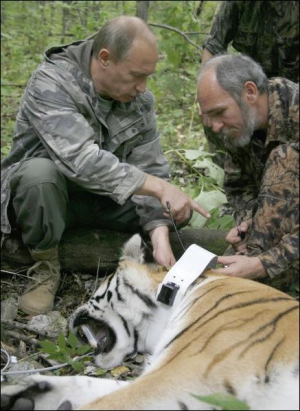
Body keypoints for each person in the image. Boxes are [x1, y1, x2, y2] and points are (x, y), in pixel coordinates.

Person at [1, 16, 210, 316]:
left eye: (148, 77)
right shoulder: (51, 81)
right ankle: (45, 265)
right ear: (104, 59)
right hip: (41, 201)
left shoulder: (138, 100)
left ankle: (153, 255)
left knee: (176, 208)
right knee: (39, 176)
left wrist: (160, 233)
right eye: (136, 76)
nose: (142, 87)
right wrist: (158, 186)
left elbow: (149, 164)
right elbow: (81, 160)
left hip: (98, 199)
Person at [197, 54, 299, 294]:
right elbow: (239, 186)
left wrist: (263, 264)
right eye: (208, 116)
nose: (215, 126)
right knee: (216, 283)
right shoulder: (237, 126)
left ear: (250, 92)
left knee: (285, 158)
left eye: (219, 112)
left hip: (284, 249)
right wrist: (246, 224)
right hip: (272, 244)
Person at [201, 1, 299, 167]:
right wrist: (205, 99)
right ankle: (226, 177)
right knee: (217, 116)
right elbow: (214, 46)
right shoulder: (237, 4)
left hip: (293, 96)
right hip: (252, 90)